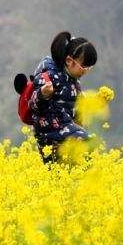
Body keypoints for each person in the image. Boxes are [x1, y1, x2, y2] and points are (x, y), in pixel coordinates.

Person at [28, 32, 98, 162]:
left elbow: (71, 106)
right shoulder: (49, 76)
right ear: (69, 61)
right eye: (84, 66)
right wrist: (42, 94)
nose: (86, 71)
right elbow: (33, 105)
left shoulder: (73, 80)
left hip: (64, 128)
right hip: (49, 134)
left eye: (89, 67)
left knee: (62, 173)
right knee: (88, 145)